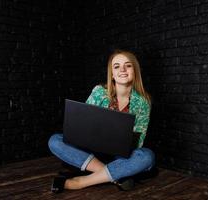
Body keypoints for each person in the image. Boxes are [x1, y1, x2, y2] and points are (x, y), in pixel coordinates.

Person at [48, 49, 155, 193]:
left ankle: (82, 182)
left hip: (121, 156)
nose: (122, 69)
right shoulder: (99, 92)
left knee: (147, 157)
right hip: (93, 151)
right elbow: (82, 124)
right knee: (55, 140)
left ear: (135, 70)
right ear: (112, 73)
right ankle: (116, 175)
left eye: (128, 65)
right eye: (117, 66)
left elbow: (139, 141)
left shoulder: (143, 102)